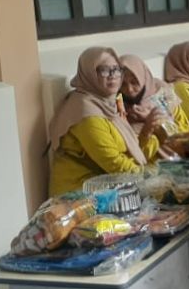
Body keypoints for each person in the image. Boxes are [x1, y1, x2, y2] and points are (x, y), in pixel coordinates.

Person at [48, 47, 161, 197]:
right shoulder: (86, 112)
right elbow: (114, 163)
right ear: (89, 74)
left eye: (116, 69)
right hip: (78, 196)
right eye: (104, 70)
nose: (112, 76)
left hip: (107, 188)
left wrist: (146, 133)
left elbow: (131, 154)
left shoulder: (108, 105)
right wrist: (150, 177)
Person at [119, 55, 189, 160]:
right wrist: (147, 128)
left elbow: (183, 131)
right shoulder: (117, 107)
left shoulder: (161, 92)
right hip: (150, 165)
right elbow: (132, 154)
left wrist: (155, 120)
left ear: (143, 78)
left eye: (134, 82)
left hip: (181, 156)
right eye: (123, 84)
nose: (129, 89)